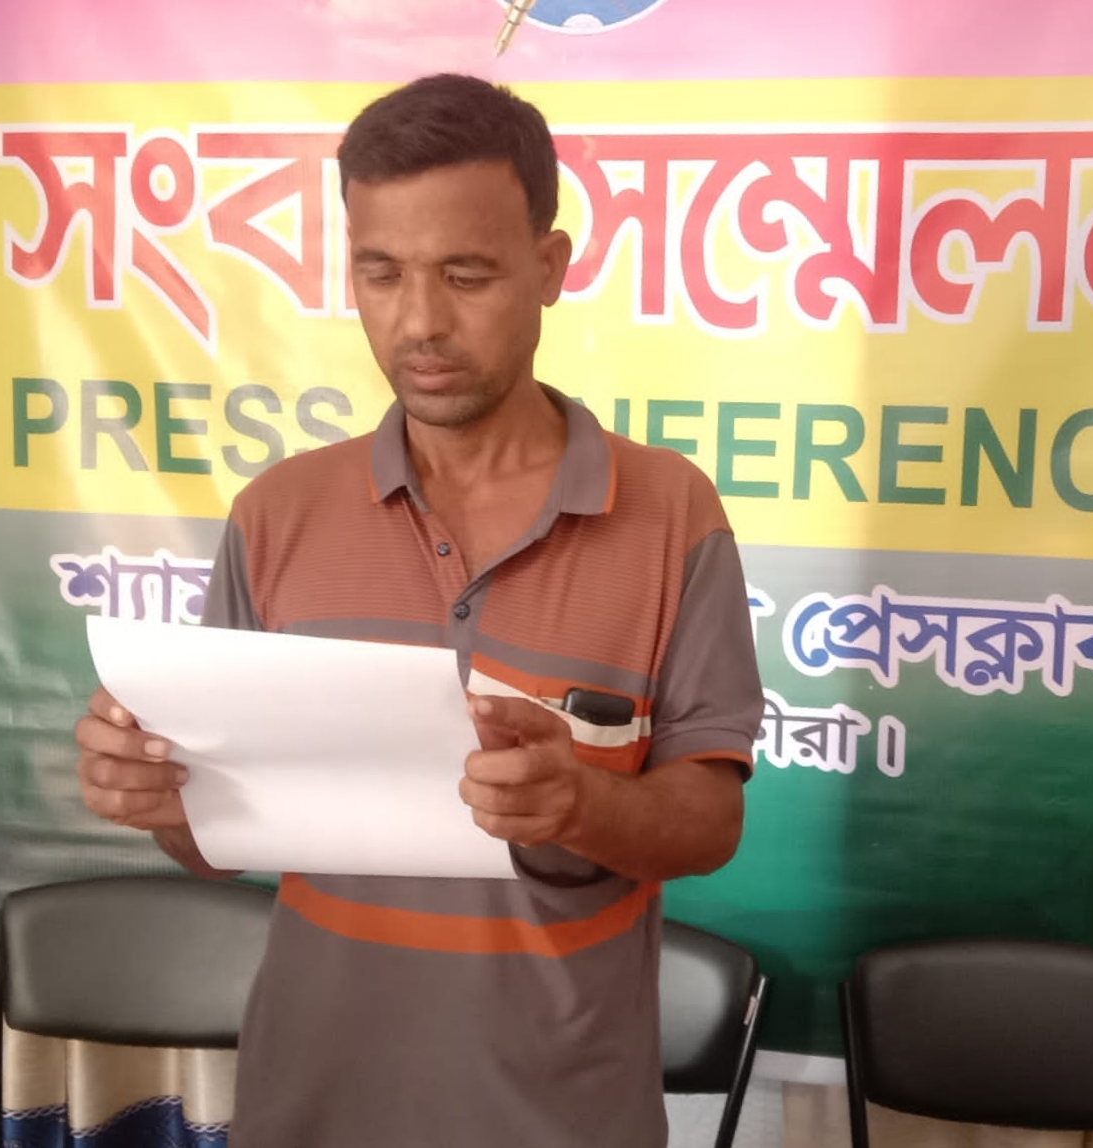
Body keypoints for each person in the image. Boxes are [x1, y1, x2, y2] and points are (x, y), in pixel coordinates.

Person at [73, 73, 764, 1148]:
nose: (420, 321)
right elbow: (214, 844)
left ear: (549, 267)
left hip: (562, 1118)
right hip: (309, 1109)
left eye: (466, 274)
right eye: (381, 272)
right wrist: (158, 796)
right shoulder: (278, 515)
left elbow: (710, 823)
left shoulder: (671, 516)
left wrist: (578, 803)